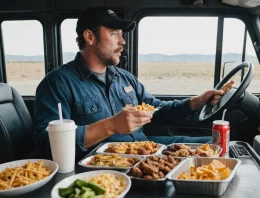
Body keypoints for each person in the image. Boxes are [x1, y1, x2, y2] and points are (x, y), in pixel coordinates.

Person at [33, 6, 224, 160]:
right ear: (90, 37)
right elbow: (45, 144)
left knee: (215, 144)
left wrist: (196, 102)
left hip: (144, 148)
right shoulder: (57, 83)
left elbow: (155, 109)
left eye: (121, 34)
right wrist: (110, 126)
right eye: (114, 34)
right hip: (104, 164)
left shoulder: (124, 77)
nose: (123, 41)